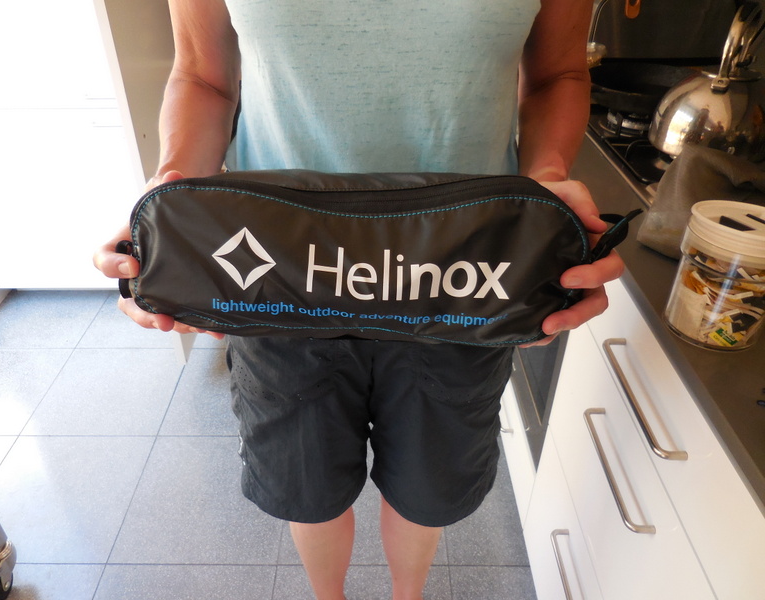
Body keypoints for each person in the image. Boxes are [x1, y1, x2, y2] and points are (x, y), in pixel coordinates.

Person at [94, 1, 623, 599]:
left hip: (463, 271)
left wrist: (547, 192)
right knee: (308, 488)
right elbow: (204, 77)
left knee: (427, 489)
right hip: (278, 271)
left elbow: (557, 74)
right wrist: (168, 203)